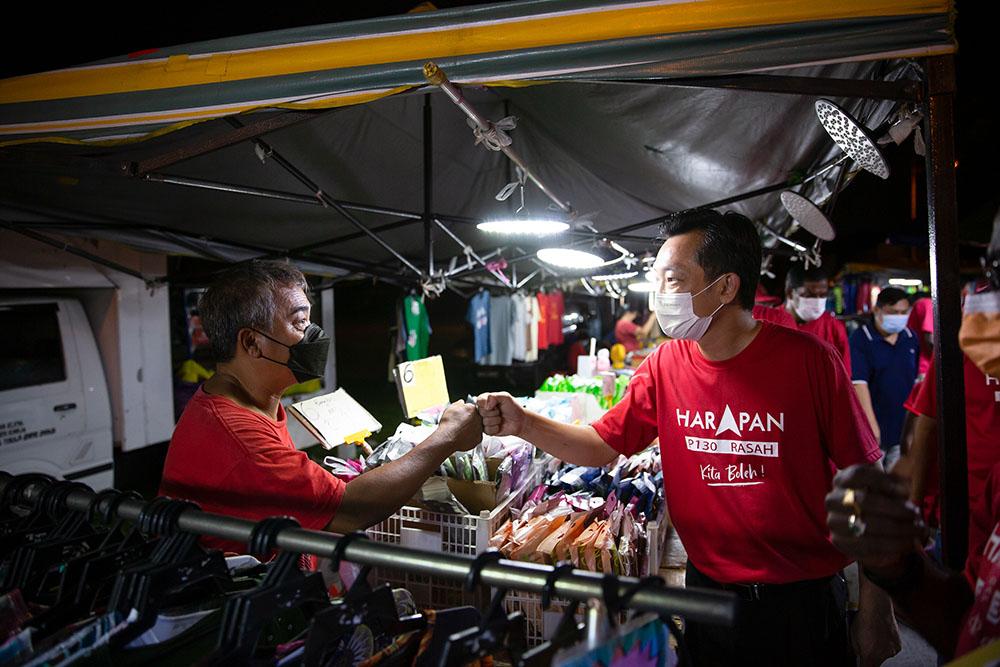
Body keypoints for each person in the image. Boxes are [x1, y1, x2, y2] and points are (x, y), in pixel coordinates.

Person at [478, 209, 894, 666]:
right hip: (705, 597)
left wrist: (878, 610)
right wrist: (524, 423)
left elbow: (868, 484)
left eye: (672, 279)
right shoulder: (664, 364)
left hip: (800, 604)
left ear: (725, 287)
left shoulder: (810, 362)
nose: (659, 295)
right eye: (656, 278)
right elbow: (601, 445)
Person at [159, 260, 483, 553]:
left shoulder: (243, 402)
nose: (314, 334)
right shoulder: (241, 437)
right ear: (251, 343)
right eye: (300, 322)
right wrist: (448, 436)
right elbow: (351, 510)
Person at [826, 227, 1000, 661]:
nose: (987, 298)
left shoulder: (908, 341)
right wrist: (896, 564)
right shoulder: (999, 484)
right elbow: (971, 624)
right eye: (993, 276)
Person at [849, 287, 919, 469]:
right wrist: (870, 426)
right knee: (875, 488)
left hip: (903, 428)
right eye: (893, 312)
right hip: (874, 429)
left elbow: (916, 383)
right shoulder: (861, 338)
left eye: (903, 312)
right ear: (877, 310)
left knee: (899, 487)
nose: (899, 317)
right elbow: (858, 383)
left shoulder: (911, 338)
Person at [785, 264, 851, 373]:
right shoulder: (768, 322)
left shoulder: (833, 327)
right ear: (790, 293)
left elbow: (844, 378)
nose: (817, 301)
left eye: (823, 295)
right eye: (809, 295)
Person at [907, 295, 935, 381]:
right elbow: (930, 339)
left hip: (923, 367)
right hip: (925, 368)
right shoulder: (927, 303)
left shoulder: (925, 304)